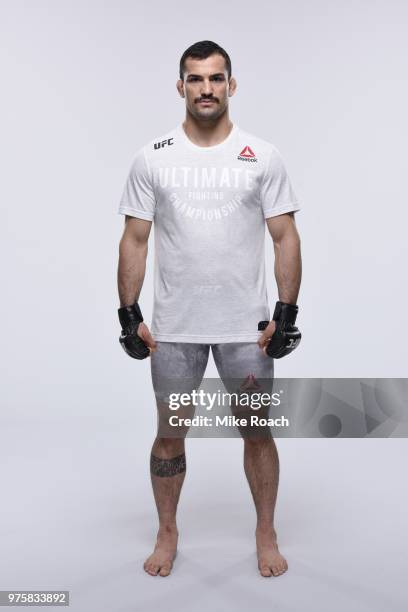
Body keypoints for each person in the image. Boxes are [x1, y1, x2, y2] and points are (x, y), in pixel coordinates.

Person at [117, 40, 302, 578]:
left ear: (231, 85)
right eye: (195, 79)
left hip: (247, 327)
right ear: (181, 86)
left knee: (257, 429)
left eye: (216, 78)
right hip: (174, 329)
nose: (206, 88)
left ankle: (265, 531)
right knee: (170, 431)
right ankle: (167, 531)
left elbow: (285, 236)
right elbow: (134, 239)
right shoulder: (152, 157)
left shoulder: (262, 156)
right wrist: (128, 314)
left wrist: (285, 313)